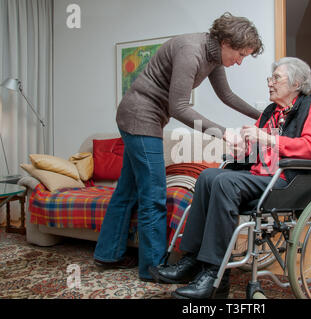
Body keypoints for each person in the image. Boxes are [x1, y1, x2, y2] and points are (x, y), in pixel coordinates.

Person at [93, 12, 264, 282]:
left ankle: (107, 253)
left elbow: (227, 95)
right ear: (227, 41)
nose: (240, 62)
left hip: (144, 118)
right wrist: (224, 133)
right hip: (139, 117)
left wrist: (263, 116)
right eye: (241, 54)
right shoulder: (191, 51)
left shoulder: (214, 55)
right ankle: (153, 268)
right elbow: (179, 107)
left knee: (127, 190)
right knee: (154, 196)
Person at [148, 57, 311, 299]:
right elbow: (254, 150)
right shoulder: (270, 112)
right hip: (261, 177)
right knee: (208, 176)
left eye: (276, 78)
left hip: (287, 181)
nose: (270, 83)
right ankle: (191, 259)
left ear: (297, 82)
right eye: (270, 78)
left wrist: (267, 139)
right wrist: (241, 150)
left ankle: (214, 275)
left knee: (224, 182)